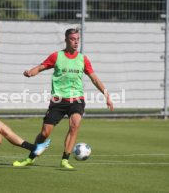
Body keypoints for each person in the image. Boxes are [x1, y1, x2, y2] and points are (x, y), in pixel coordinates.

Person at [13, 28, 114, 169]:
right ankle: (31, 157)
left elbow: (95, 79)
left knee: (75, 125)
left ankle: (65, 159)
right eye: (73, 39)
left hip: (76, 99)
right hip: (58, 100)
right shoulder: (56, 56)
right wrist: (31, 72)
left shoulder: (83, 59)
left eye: (78, 39)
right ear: (66, 40)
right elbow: (41, 67)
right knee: (45, 133)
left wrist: (107, 96)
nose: (76, 42)